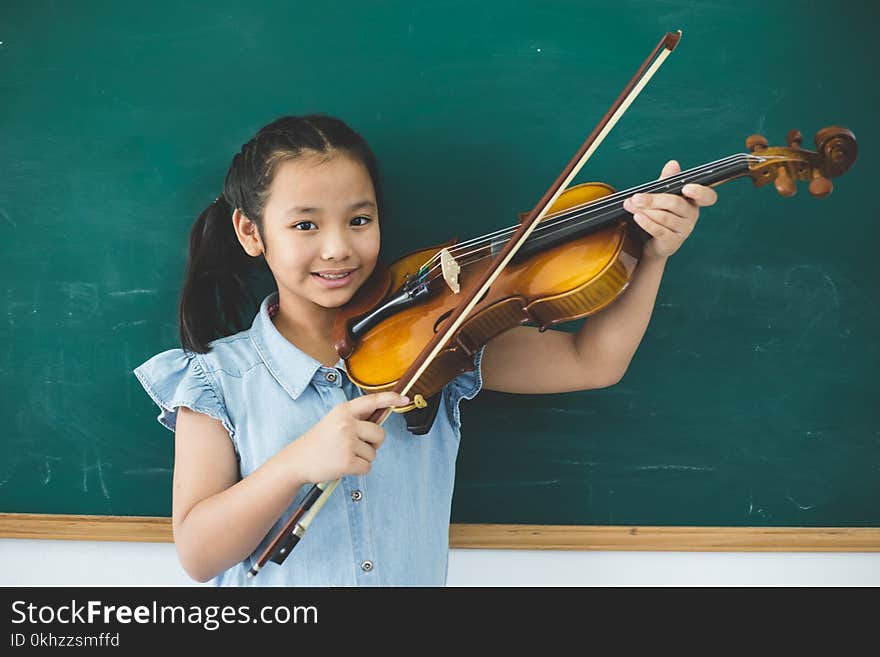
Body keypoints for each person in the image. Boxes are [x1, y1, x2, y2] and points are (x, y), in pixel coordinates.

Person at [133, 114, 718, 586]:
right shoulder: (216, 379)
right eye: (305, 226)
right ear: (251, 233)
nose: (338, 248)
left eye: (359, 219)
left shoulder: (439, 338)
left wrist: (652, 253)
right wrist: (296, 462)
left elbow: (593, 362)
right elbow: (198, 553)